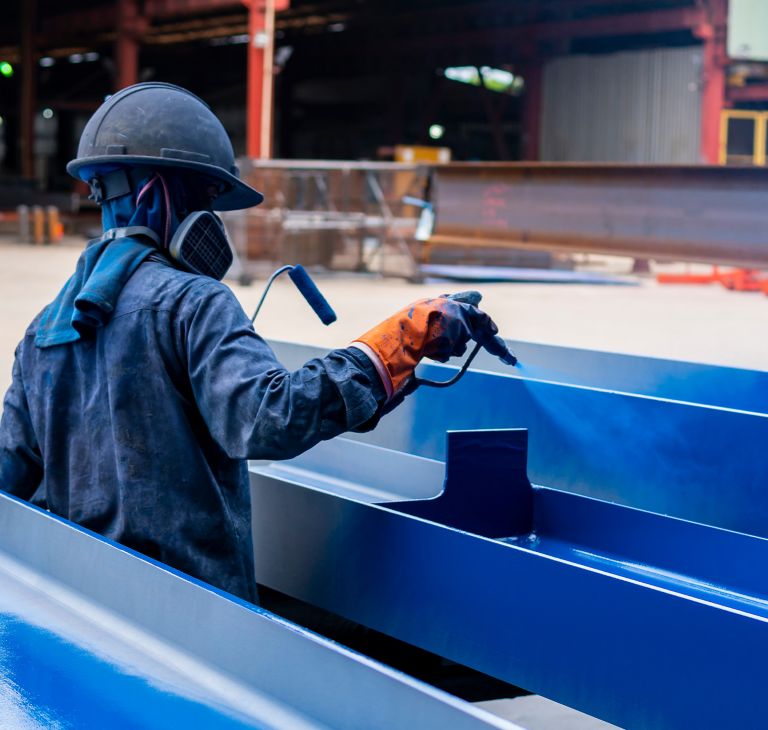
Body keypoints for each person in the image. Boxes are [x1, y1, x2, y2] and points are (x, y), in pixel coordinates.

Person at [0, 82, 514, 603]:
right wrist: (399, 341)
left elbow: (9, 478)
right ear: (155, 193)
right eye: (204, 199)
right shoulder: (194, 301)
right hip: (195, 612)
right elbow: (272, 419)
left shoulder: (43, 330)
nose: (212, 221)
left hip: (81, 606)